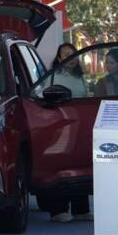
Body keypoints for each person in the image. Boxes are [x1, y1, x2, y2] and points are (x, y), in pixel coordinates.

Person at [40, 43, 91, 222]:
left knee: (80, 167)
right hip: (60, 127)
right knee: (61, 168)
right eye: (66, 55)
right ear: (59, 58)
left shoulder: (80, 77)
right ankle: (59, 210)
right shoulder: (53, 76)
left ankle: (81, 210)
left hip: (81, 127)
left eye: (73, 54)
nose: (71, 58)